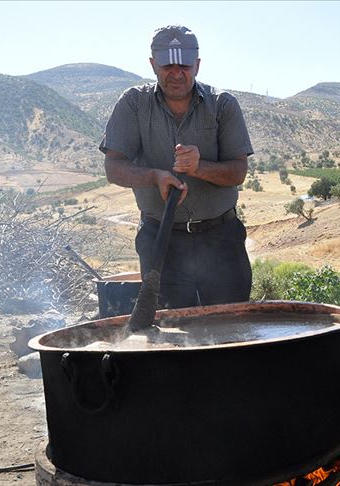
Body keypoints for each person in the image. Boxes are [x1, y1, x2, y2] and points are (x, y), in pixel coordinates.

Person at [99, 25, 253, 309]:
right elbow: (114, 167)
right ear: (152, 64)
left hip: (220, 240)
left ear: (197, 64)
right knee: (172, 333)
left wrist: (199, 168)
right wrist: (155, 176)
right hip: (161, 241)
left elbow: (238, 172)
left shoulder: (223, 105)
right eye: (168, 64)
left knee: (231, 329)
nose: (177, 72)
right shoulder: (133, 103)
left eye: (184, 64)